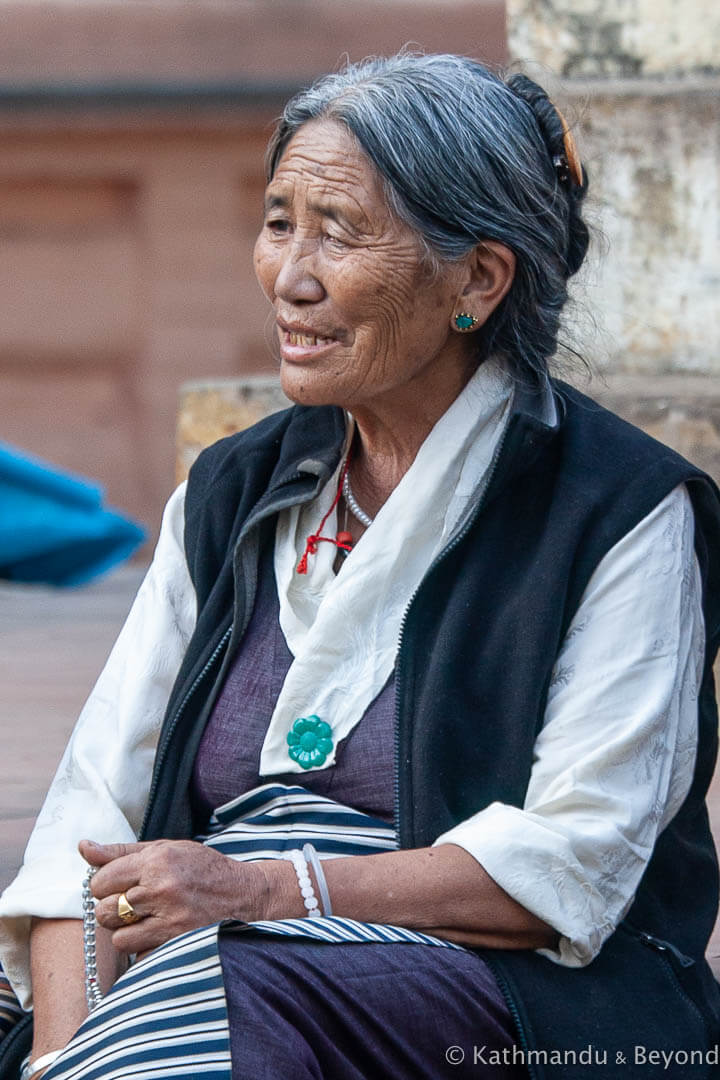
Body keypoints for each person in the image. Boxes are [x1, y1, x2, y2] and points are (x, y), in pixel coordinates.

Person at [1, 52, 719, 1080]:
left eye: (340, 230)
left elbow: (572, 867)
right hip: (211, 973)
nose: (290, 275)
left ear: (478, 278)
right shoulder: (233, 492)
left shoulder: (621, 510)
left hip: (523, 1000)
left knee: (222, 984)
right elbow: (86, 827)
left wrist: (259, 892)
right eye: (281, 219)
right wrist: (62, 1056)